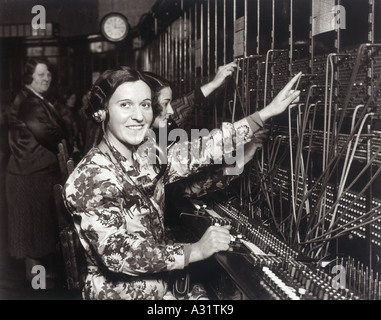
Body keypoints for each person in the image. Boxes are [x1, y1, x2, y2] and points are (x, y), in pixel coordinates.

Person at [63, 66, 301, 300]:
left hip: (159, 281)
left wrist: (264, 114)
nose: (138, 116)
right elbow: (120, 255)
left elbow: (197, 151)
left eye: (145, 105)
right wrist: (195, 250)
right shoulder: (91, 176)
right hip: (122, 293)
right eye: (125, 105)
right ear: (101, 112)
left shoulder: (145, 152)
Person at [5, 57, 68, 288]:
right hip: (30, 176)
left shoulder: (33, 98)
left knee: (36, 231)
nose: (47, 78)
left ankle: (38, 280)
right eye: (41, 74)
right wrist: (65, 135)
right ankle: (38, 285)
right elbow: (47, 133)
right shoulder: (30, 102)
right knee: (34, 232)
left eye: (48, 73)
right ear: (29, 77)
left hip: (32, 173)